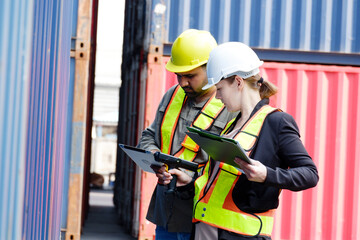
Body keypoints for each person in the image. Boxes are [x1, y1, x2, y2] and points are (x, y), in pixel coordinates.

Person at [161, 42, 319, 240]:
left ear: (238, 82)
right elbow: (221, 184)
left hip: (240, 235)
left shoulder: (276, 122)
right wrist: (190, 182)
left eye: (219, 89)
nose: (217, 97)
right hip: (207, 230)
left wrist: (266, 174)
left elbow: (310, 174)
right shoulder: (233, 126)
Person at [137, 30, 237, 240]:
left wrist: (193, 178)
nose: (182, 82)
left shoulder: (230, 107)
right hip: (166, 211)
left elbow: (232, 166)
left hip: (200, 216)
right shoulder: (172, 95)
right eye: (178, 75)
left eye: (190, 76)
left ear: (211, 70)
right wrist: (155, 157)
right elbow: (149, 136)